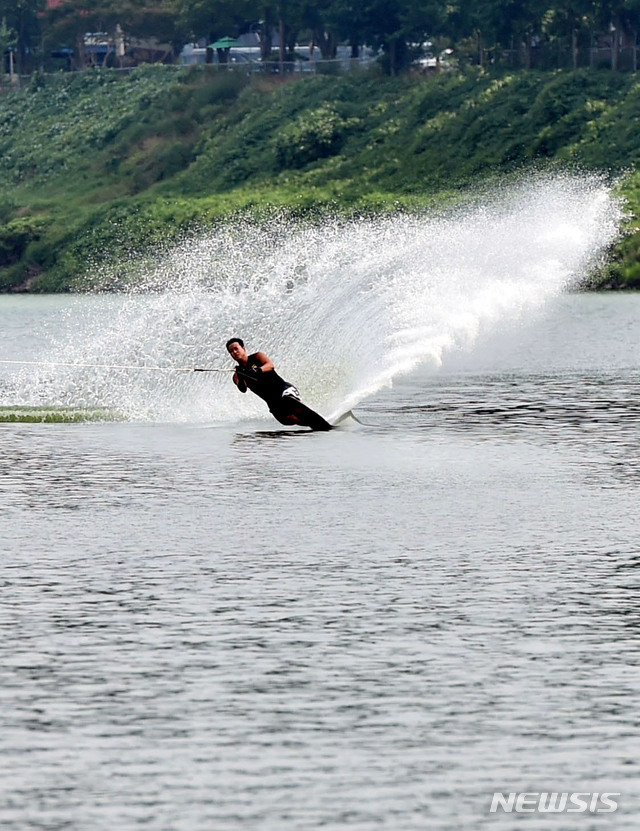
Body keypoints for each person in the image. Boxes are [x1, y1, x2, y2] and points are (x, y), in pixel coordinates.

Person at [225, 337, 305, 426]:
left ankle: (298, 406)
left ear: (243, 349)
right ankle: (311, 423)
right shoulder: (236, 375)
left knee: (289, 402)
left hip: (284, 390)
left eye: (236, 348)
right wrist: (240, 375)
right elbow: (243, 389)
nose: (234, 352)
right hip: (272, 402)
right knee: (287, 420)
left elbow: (270, 365)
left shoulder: (257, 357)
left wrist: (258, 370)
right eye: (231, 351)